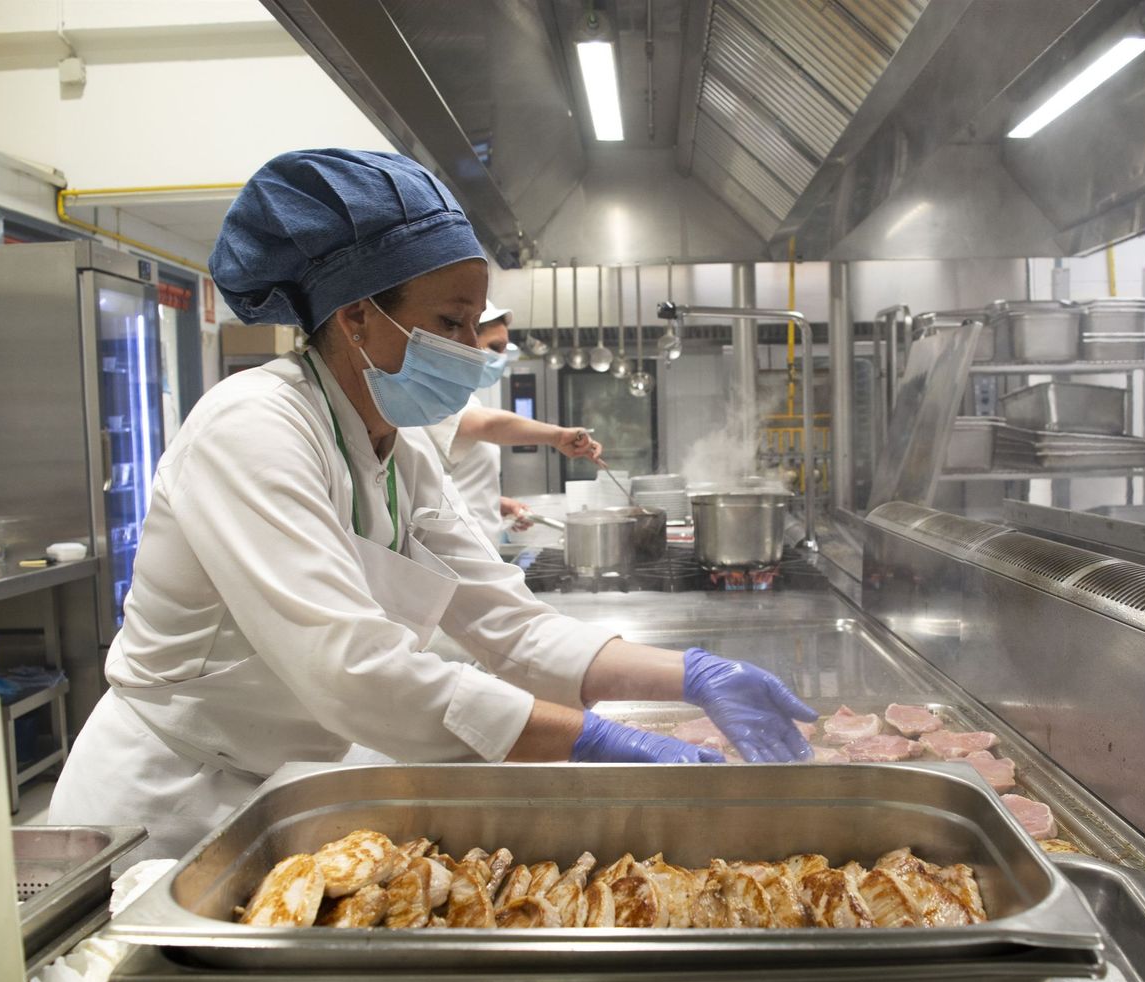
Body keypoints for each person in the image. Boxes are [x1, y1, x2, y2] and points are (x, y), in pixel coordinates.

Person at [49, 149, 815, 862]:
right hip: (167, 804)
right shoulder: (251, 429)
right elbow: (353, 669)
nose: (472, 351)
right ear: (356, 317)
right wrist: (591, 741)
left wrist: (694, 674)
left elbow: (508, 625)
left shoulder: (400, 449)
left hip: (285, 786)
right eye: (451, 324)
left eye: (474, 326)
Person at [420, 303, 600, 543]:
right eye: (495, 347)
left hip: (479, 546)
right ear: (464, 341)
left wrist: (496, 503)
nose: (501, 358)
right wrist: (558, 436)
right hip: (453, 550)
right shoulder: (434, 397)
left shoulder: (466, 399)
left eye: (504, 350)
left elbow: (452, 480)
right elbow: (489, 426)